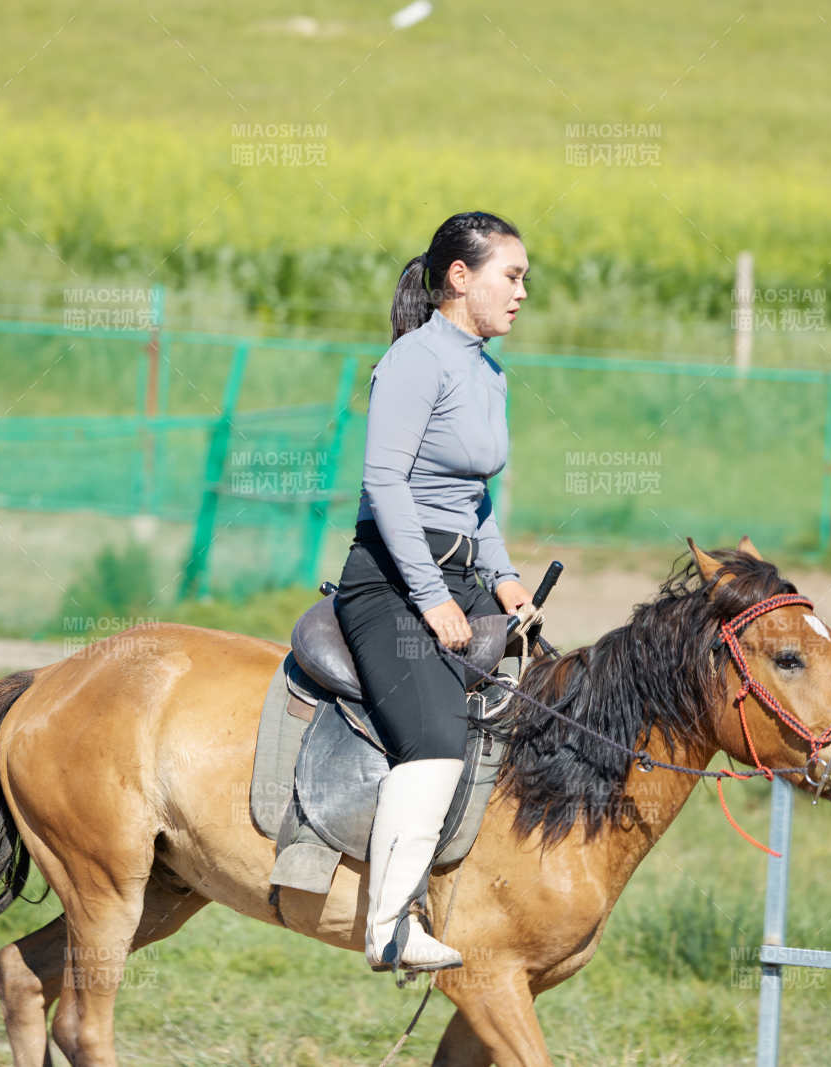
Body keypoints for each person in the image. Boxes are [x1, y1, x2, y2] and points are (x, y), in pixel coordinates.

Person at [333, 211, 534, 973]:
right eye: (510, 276)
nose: (521, 292)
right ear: (459, 277)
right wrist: (429, 596)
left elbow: (475, 499)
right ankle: (390, 926)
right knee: (437, 738)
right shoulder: (414, 361)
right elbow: (385, 482)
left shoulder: (489, 372)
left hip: (460, 576)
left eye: (523, 279)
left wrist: (505, 578)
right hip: (389, 580)